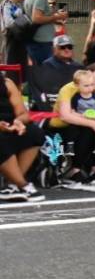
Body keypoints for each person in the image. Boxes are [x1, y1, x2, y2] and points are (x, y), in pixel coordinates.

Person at [54, 63, 95, 186]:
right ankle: (75, 170)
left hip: (84, 125)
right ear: (89, 74)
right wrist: (93, 124)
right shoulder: (69, 89)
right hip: (63, 125)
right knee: (92, 128)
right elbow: (65, 115)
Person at [0, 68, 46, 201]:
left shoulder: (7, 83)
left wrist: (18, 122)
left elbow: (23, 113)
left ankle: (11, 185)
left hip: (10, 125)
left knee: (34, 133)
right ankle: (23, 185)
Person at [21, 0, 71, 68]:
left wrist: (53, 14)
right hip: (42, 42)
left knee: (40, 72)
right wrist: (56, 16)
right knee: (48, 71)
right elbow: (37, 18)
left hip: (35, 40)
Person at [2, 0, 31, 68]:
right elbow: (8, 23)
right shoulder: (5, 5)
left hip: (20, 39)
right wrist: (22, 20)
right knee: (10, 65)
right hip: (9, 39)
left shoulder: (19, 5)